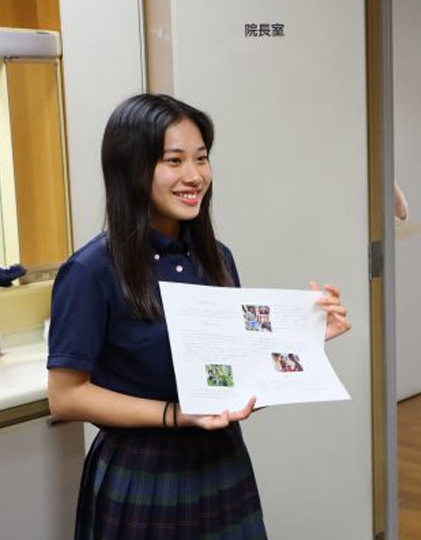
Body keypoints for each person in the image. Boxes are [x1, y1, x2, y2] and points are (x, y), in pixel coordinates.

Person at [46, 93, 352, 539]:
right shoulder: (91, 271)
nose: (194, 176)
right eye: (174, 160)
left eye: (201, 158)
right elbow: (65, 397)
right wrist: (176, 414)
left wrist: (305, 337)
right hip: (142, 473)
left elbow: (239, 378)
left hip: (221, 462)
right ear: (132, 168)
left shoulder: (216, 258)